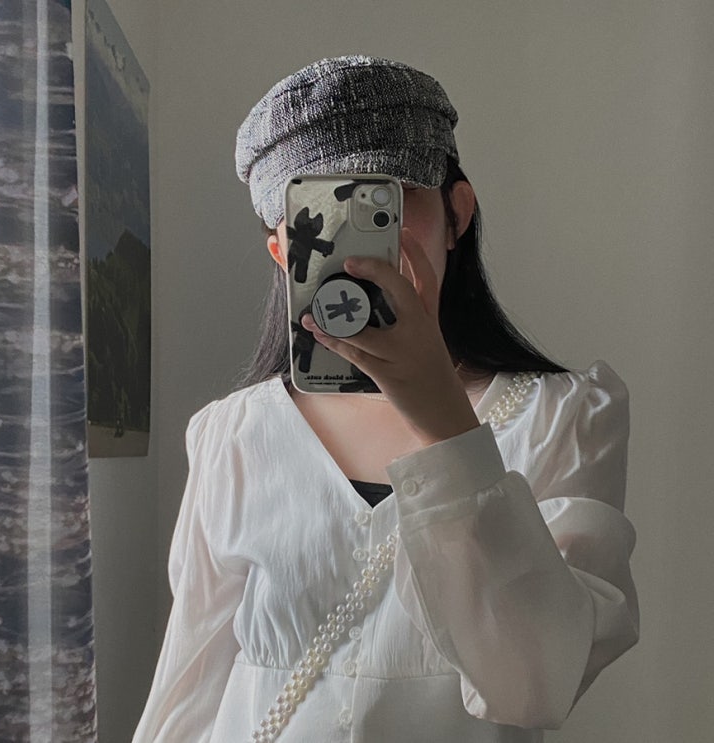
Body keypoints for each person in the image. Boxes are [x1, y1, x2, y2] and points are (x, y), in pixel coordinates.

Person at [132, 56, 639, 743]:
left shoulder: (565, 416)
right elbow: (190, 684)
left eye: (384, 207)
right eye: (320, 218)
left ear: (457, 213)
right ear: (282, 251)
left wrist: (446, 427)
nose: (360, 253)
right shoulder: (233, 433)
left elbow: (538, 681)